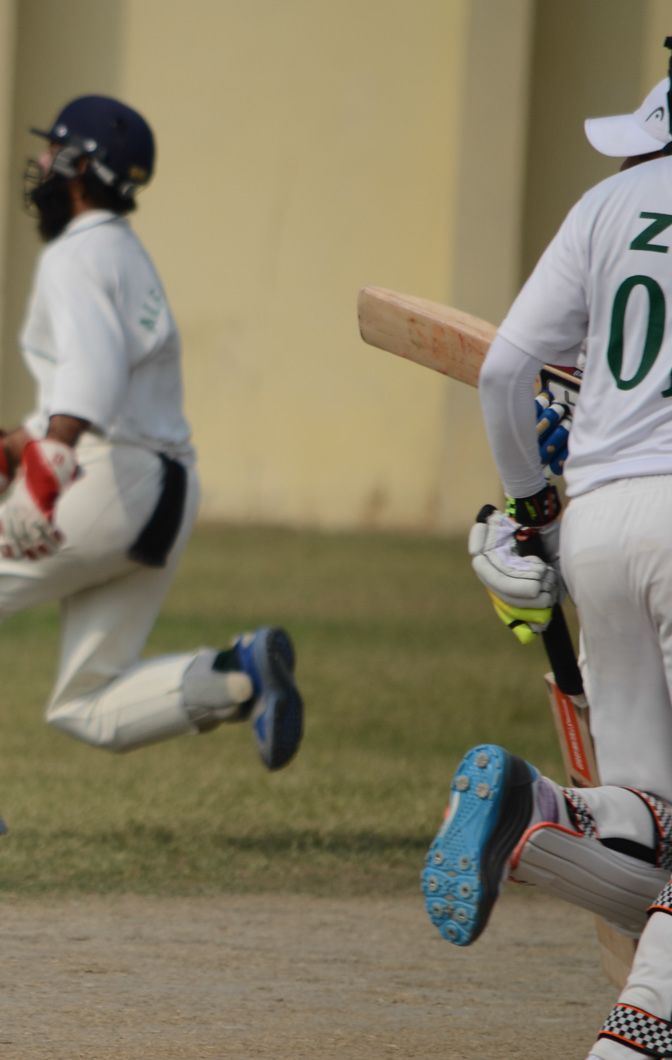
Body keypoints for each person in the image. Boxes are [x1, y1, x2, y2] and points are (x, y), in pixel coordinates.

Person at [0, 95, 304, 839]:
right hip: (165, 486)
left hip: (112, 477)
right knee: (88, 704)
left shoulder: (75, 254)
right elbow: (77, 399)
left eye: (53, 153)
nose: (42, 166)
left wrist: (44, 477)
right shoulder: (122, 254)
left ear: (79, 166)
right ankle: (238, 676)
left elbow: (92, 382)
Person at [427, 66, 672, 1060]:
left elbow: (504, 371)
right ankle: (639, 1034)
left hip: (600, 523)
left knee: (651, 820)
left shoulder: (608, 202)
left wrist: (530, 506)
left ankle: (541, 810)